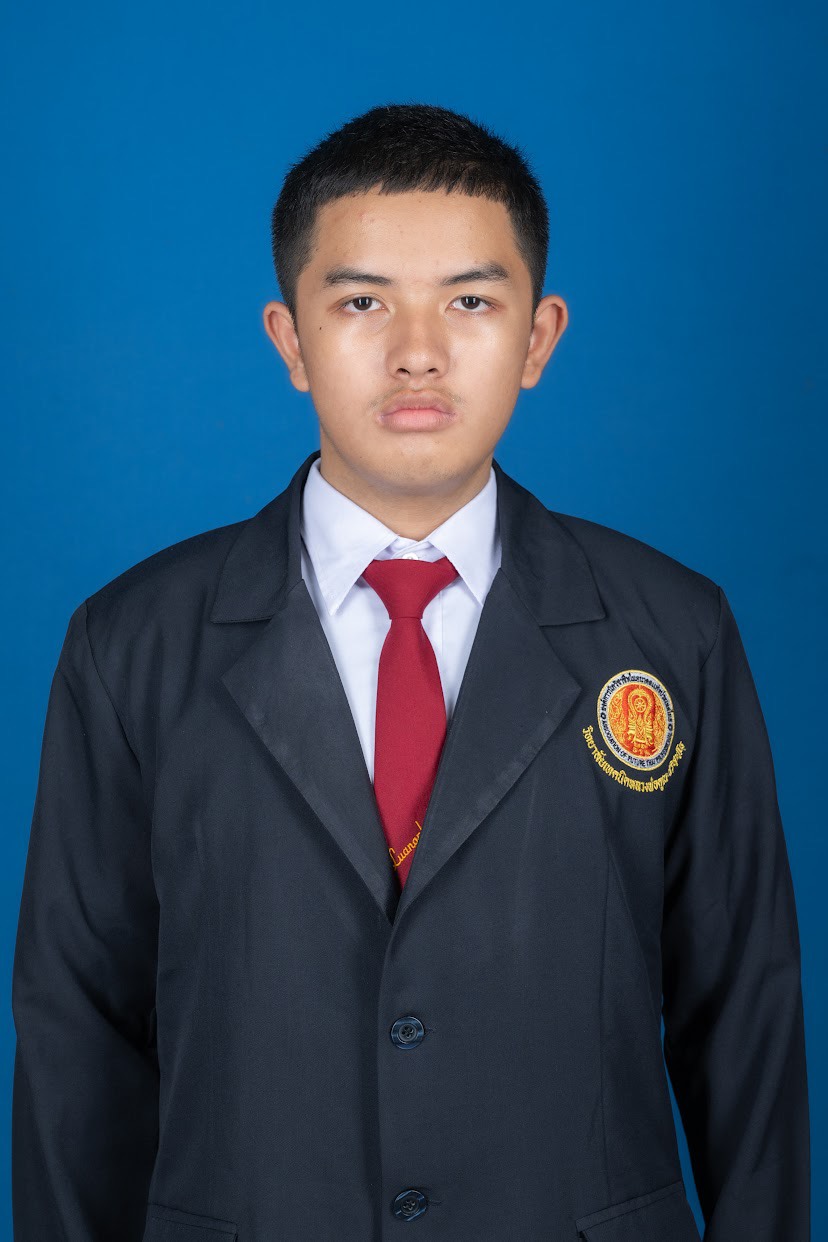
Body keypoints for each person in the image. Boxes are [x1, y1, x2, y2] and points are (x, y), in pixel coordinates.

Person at [11, 102, 809, 1242]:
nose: (418, 351)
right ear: (290, 340)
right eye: (362, 302)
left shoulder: (673, 631)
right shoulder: (131, 643)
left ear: (539, 337)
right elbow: (76, 1029)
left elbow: (746, 1017)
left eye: (471, 302)